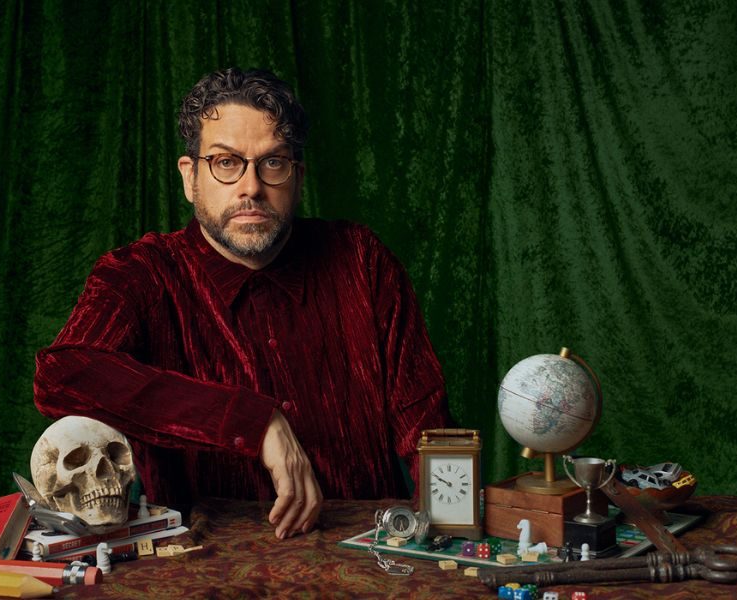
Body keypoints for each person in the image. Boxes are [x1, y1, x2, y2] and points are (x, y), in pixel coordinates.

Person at [33, 67, 450, 539]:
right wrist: (254, 421)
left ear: (297, 176)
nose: (251, 187)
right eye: (226, 163)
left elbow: (427, 429)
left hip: (364, 551)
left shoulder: (361, 259)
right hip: (204, 563)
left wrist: (453, 533)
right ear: (190, 177)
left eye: (272, 163)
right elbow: (62, 375)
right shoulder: (141, 273)